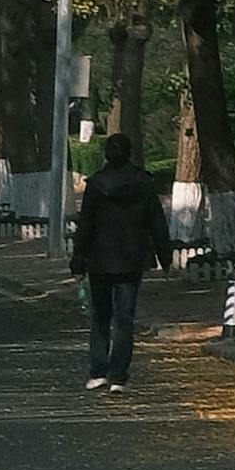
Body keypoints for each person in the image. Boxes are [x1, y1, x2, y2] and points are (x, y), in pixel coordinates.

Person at [70, 128, 171, 392]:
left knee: (100, 317)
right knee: (125, 319)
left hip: (100, 260)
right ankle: (118, 376)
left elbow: (86, 226)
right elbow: (157, 223)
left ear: (105, 155)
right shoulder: (143, 183)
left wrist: (78, 262)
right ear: (129, 155)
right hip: (131, 259)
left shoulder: (96, 185)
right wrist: (165, 256)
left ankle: (98, 371)